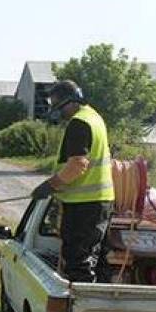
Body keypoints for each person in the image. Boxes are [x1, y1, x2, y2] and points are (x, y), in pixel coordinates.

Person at [31, 80, 114, 282]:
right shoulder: (94, 117)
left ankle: (81, 310)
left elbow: (78, 164)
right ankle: (100, 305)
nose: (59, 113)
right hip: (100, 203)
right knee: (97, 260)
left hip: (83, 206)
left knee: (78, 262)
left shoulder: (79, 123)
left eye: (59, 107)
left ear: (71, 101)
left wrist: (50, 185)